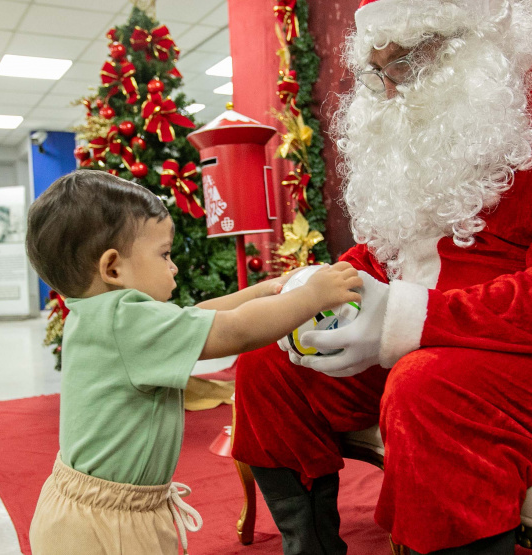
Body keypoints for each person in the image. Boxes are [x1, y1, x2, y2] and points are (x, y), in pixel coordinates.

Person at [231, 1, 532, 554]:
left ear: (473, 41)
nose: (388, 89)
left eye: (404, 65)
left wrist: (408, 318)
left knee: (428, 387)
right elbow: (392, 253)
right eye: (376, 69)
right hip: (436, 342)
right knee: (269, 362)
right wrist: (319, 291)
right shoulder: (425, 120)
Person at [23, 169, 362, 555]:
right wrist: (312, 297)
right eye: (164, 255)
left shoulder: (98, 314)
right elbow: (233, 332)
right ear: (113, 268)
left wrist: (263, 291)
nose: (174, 267)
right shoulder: (127, 320)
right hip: (110, 528)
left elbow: (194, 315)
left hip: (82, 511)